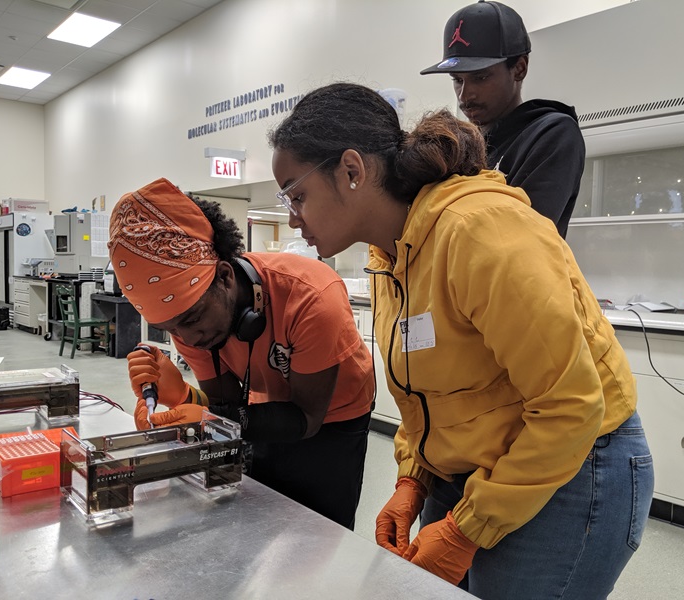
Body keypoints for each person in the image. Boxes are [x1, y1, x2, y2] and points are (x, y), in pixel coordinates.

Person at [268, 82, 653, 599]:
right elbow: (428, 394)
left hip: (575, 465)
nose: (293, 217)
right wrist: (413, 479)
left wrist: (464, 529)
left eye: (296, 195)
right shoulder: (391, 257)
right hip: (475, 469)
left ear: (353, 171)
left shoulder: (479, 229)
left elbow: (571, 407)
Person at [107, 178, 374, 529]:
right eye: (172, 330)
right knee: (259, 507)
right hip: (269, 402)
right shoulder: (191, 321)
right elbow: (228, 404)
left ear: (225, 278)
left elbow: (305, 420)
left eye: (192, 319)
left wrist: (207, 416)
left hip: (332, 415)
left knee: (318, 528)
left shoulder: (311, 298)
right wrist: (184, 397)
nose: (189, 338)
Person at [421, 1, 585, 238]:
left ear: (519, 68)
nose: (465, 95)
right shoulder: (465, 145)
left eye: (480, 77)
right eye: (457, 80)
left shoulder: (552, 134)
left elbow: (516, 238)